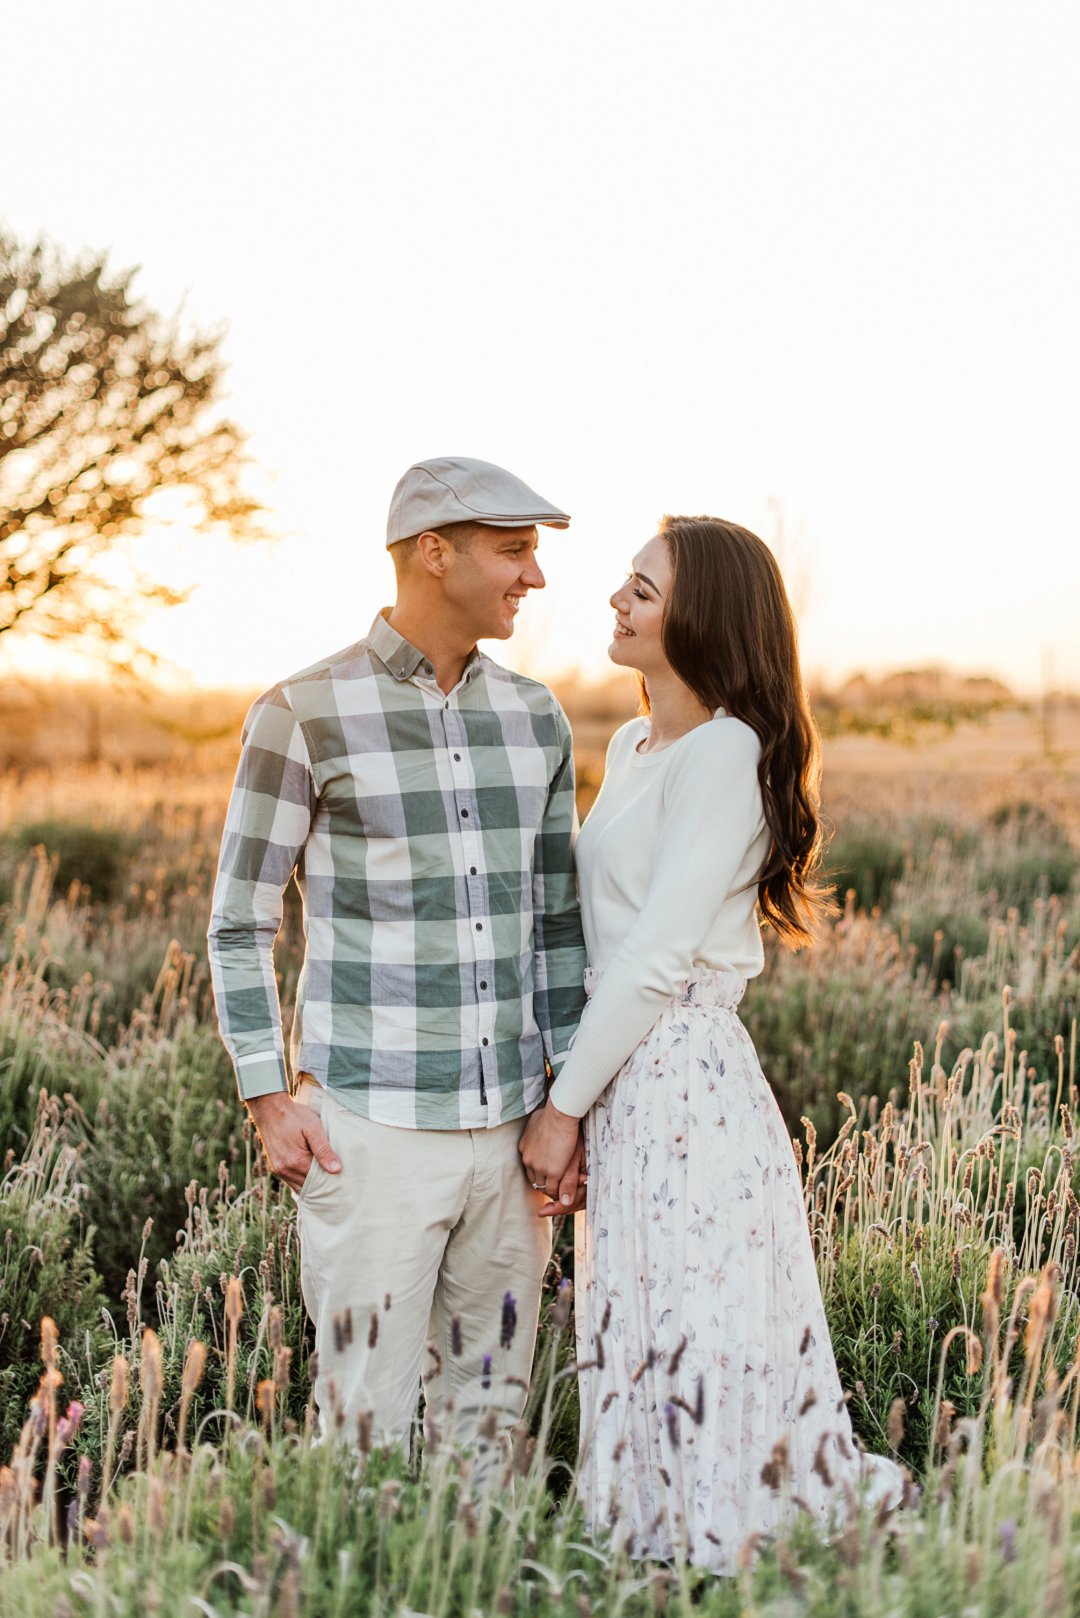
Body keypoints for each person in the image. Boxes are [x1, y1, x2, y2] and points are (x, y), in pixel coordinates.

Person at [520, 515, 905, 1571]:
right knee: (639, 1317)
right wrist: (582, 1089)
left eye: (642, 589)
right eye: (627, 583)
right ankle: (651, 1536)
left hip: (684, 1073)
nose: (616, 600)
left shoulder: (730, 749)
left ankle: (720, 1545)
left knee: (699, 1318)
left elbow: (655, 955)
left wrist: (560, 1110)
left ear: (703, 617)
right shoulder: (633, 744)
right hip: (621, 1070)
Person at [208, 456, 588, 1466]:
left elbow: (560, 928)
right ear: (434, 552)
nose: (534, 578)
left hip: (514, 1140)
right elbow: (240, 920)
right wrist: (264, 1095)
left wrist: (568, 1105)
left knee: (493, 1439)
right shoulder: (302, 710)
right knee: (363, 1439)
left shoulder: (537, 719)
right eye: (514, 551)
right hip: (370, 1136)